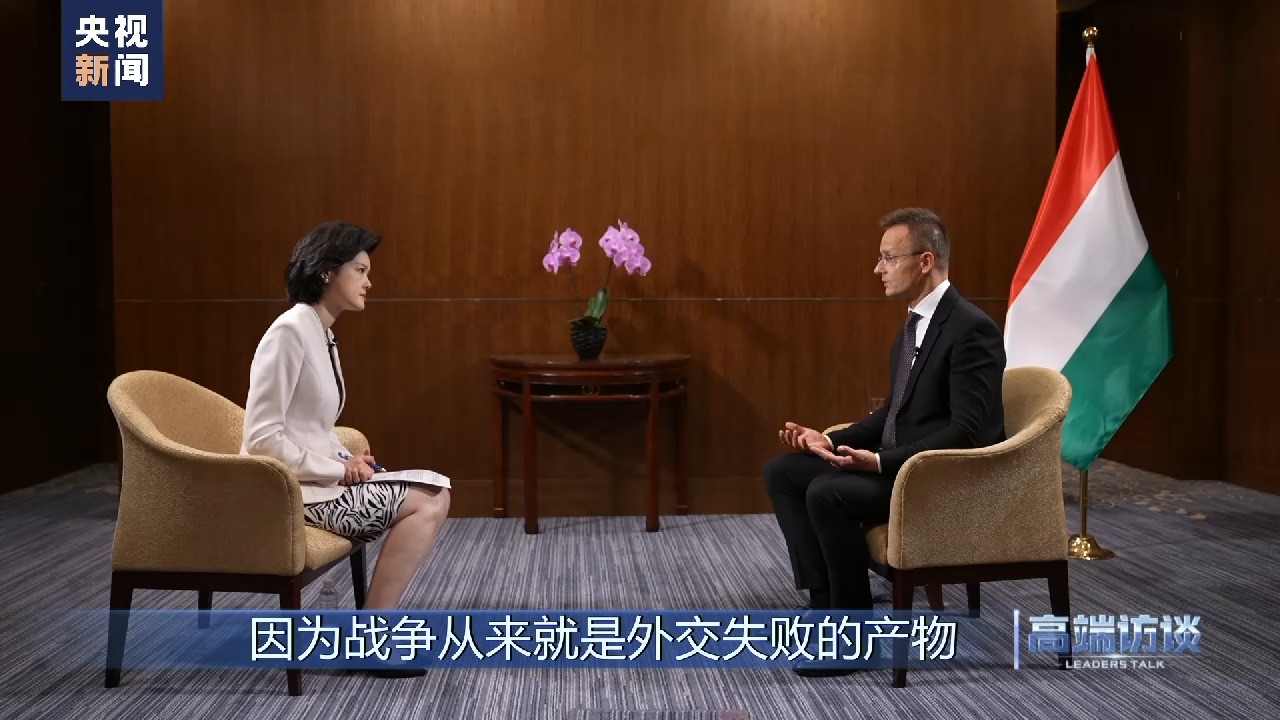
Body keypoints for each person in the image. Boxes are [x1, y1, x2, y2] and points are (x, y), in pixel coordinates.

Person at [762, 207, 1006, 676]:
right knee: (784, 472)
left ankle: (855, 637)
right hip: (899, 465)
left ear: (925, 261)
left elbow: (968, 431)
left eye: (888, 258)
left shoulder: (970, 329)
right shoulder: (912, 327)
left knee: (828, 492)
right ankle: (825, 605)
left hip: (937, 479)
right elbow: (892, 412)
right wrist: (828, 439)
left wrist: (878, 462)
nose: (878, 269)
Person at [241, 220, 450, 679]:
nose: (369, 282)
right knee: (430, 500)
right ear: (326, 273)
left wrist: (346, 459)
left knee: (432, 492)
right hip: (293, 494)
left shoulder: (321, 331)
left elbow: (312, 426)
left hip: (319, 483)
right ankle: (371, 640)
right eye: (360, 270)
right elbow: (261, 438)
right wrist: (337, 471)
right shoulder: (290, 331)